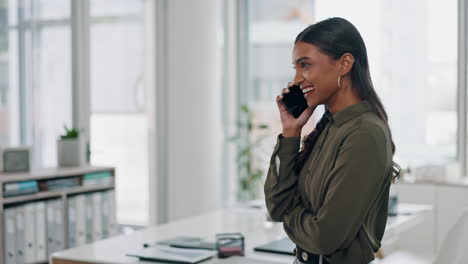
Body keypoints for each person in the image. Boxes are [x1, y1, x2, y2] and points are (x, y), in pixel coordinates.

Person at [264, 17, 400, 264]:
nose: (296, 80)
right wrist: (291, 133)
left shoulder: (365, 133)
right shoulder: (329, 125)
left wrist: (288, 212)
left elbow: (324, 238)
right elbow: (275, 204)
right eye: (295, 68)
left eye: (305, 65)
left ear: (344, 64)